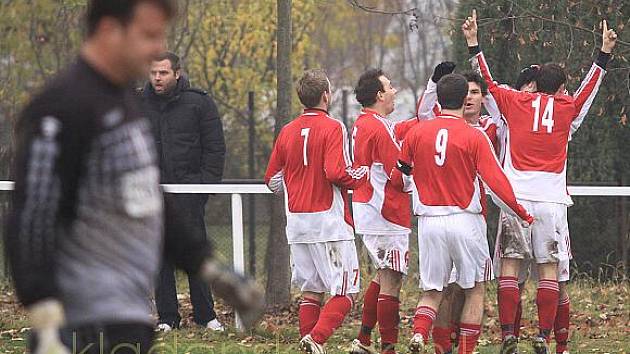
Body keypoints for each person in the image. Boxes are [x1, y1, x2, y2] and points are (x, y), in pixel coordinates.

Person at [4, 2, 261, 353]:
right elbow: (31, 216)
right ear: (110, 31)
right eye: (149, 35)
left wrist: (207, 265)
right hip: (78, 321)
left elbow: (147, 198)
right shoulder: (61, 106)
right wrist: (47, 316)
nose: (158, 48)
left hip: (129, 316)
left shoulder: (126, 102)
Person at [462, 9, 617, 354]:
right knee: (548, 269)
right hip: (550, 201)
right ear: (561, 88)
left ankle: (507, 336)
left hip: (516, 199)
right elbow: (588, 90)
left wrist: (474, 44)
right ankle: (543, 337)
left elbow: (486, 81)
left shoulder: (515, 101)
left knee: (511, 267)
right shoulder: (566, 108)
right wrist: (603, 55)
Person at [397, 74, 533, 354]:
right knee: (476, 288)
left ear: (439, 99)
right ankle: (466, 350)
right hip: (464, 219)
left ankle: (421, 334)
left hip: (429, 222)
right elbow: (497, 183)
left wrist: (417, 183)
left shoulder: (416, 133)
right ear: (463, 100)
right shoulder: (475, 135)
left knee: (433, 290)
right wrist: (521, 213)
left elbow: (401, 171)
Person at [264, 69, 369, 354]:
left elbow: (272, 180)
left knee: (311, 289)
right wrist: (362, 175)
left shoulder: (287, 131)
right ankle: (317, 339)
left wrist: (298, 187)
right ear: (326, 95)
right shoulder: (333, 127)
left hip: (298, 222)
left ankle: (308, 344)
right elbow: (336, 172)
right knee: (346, 291)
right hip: (329, 222)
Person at [141, 51, 226, 332]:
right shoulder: (138, 103)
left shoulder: (199, 103)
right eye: (153, 72)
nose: (157, 78)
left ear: (177, 73)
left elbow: (215, 148)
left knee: (196, 255)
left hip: (189, 194)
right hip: (150, 196)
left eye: (163, 73)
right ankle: (167, 318)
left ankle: (206, 316)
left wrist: (203, 188)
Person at [349, 69, 411, 354]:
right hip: (384, 211)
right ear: (379, 95)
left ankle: (363, 339)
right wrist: (413, 177)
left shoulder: (363, 123)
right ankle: (388, 347)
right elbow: (396, 175)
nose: (394, 90)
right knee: (393, 278)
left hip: (367, 207)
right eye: (389, 86)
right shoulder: (380, 127)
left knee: (383, 273)